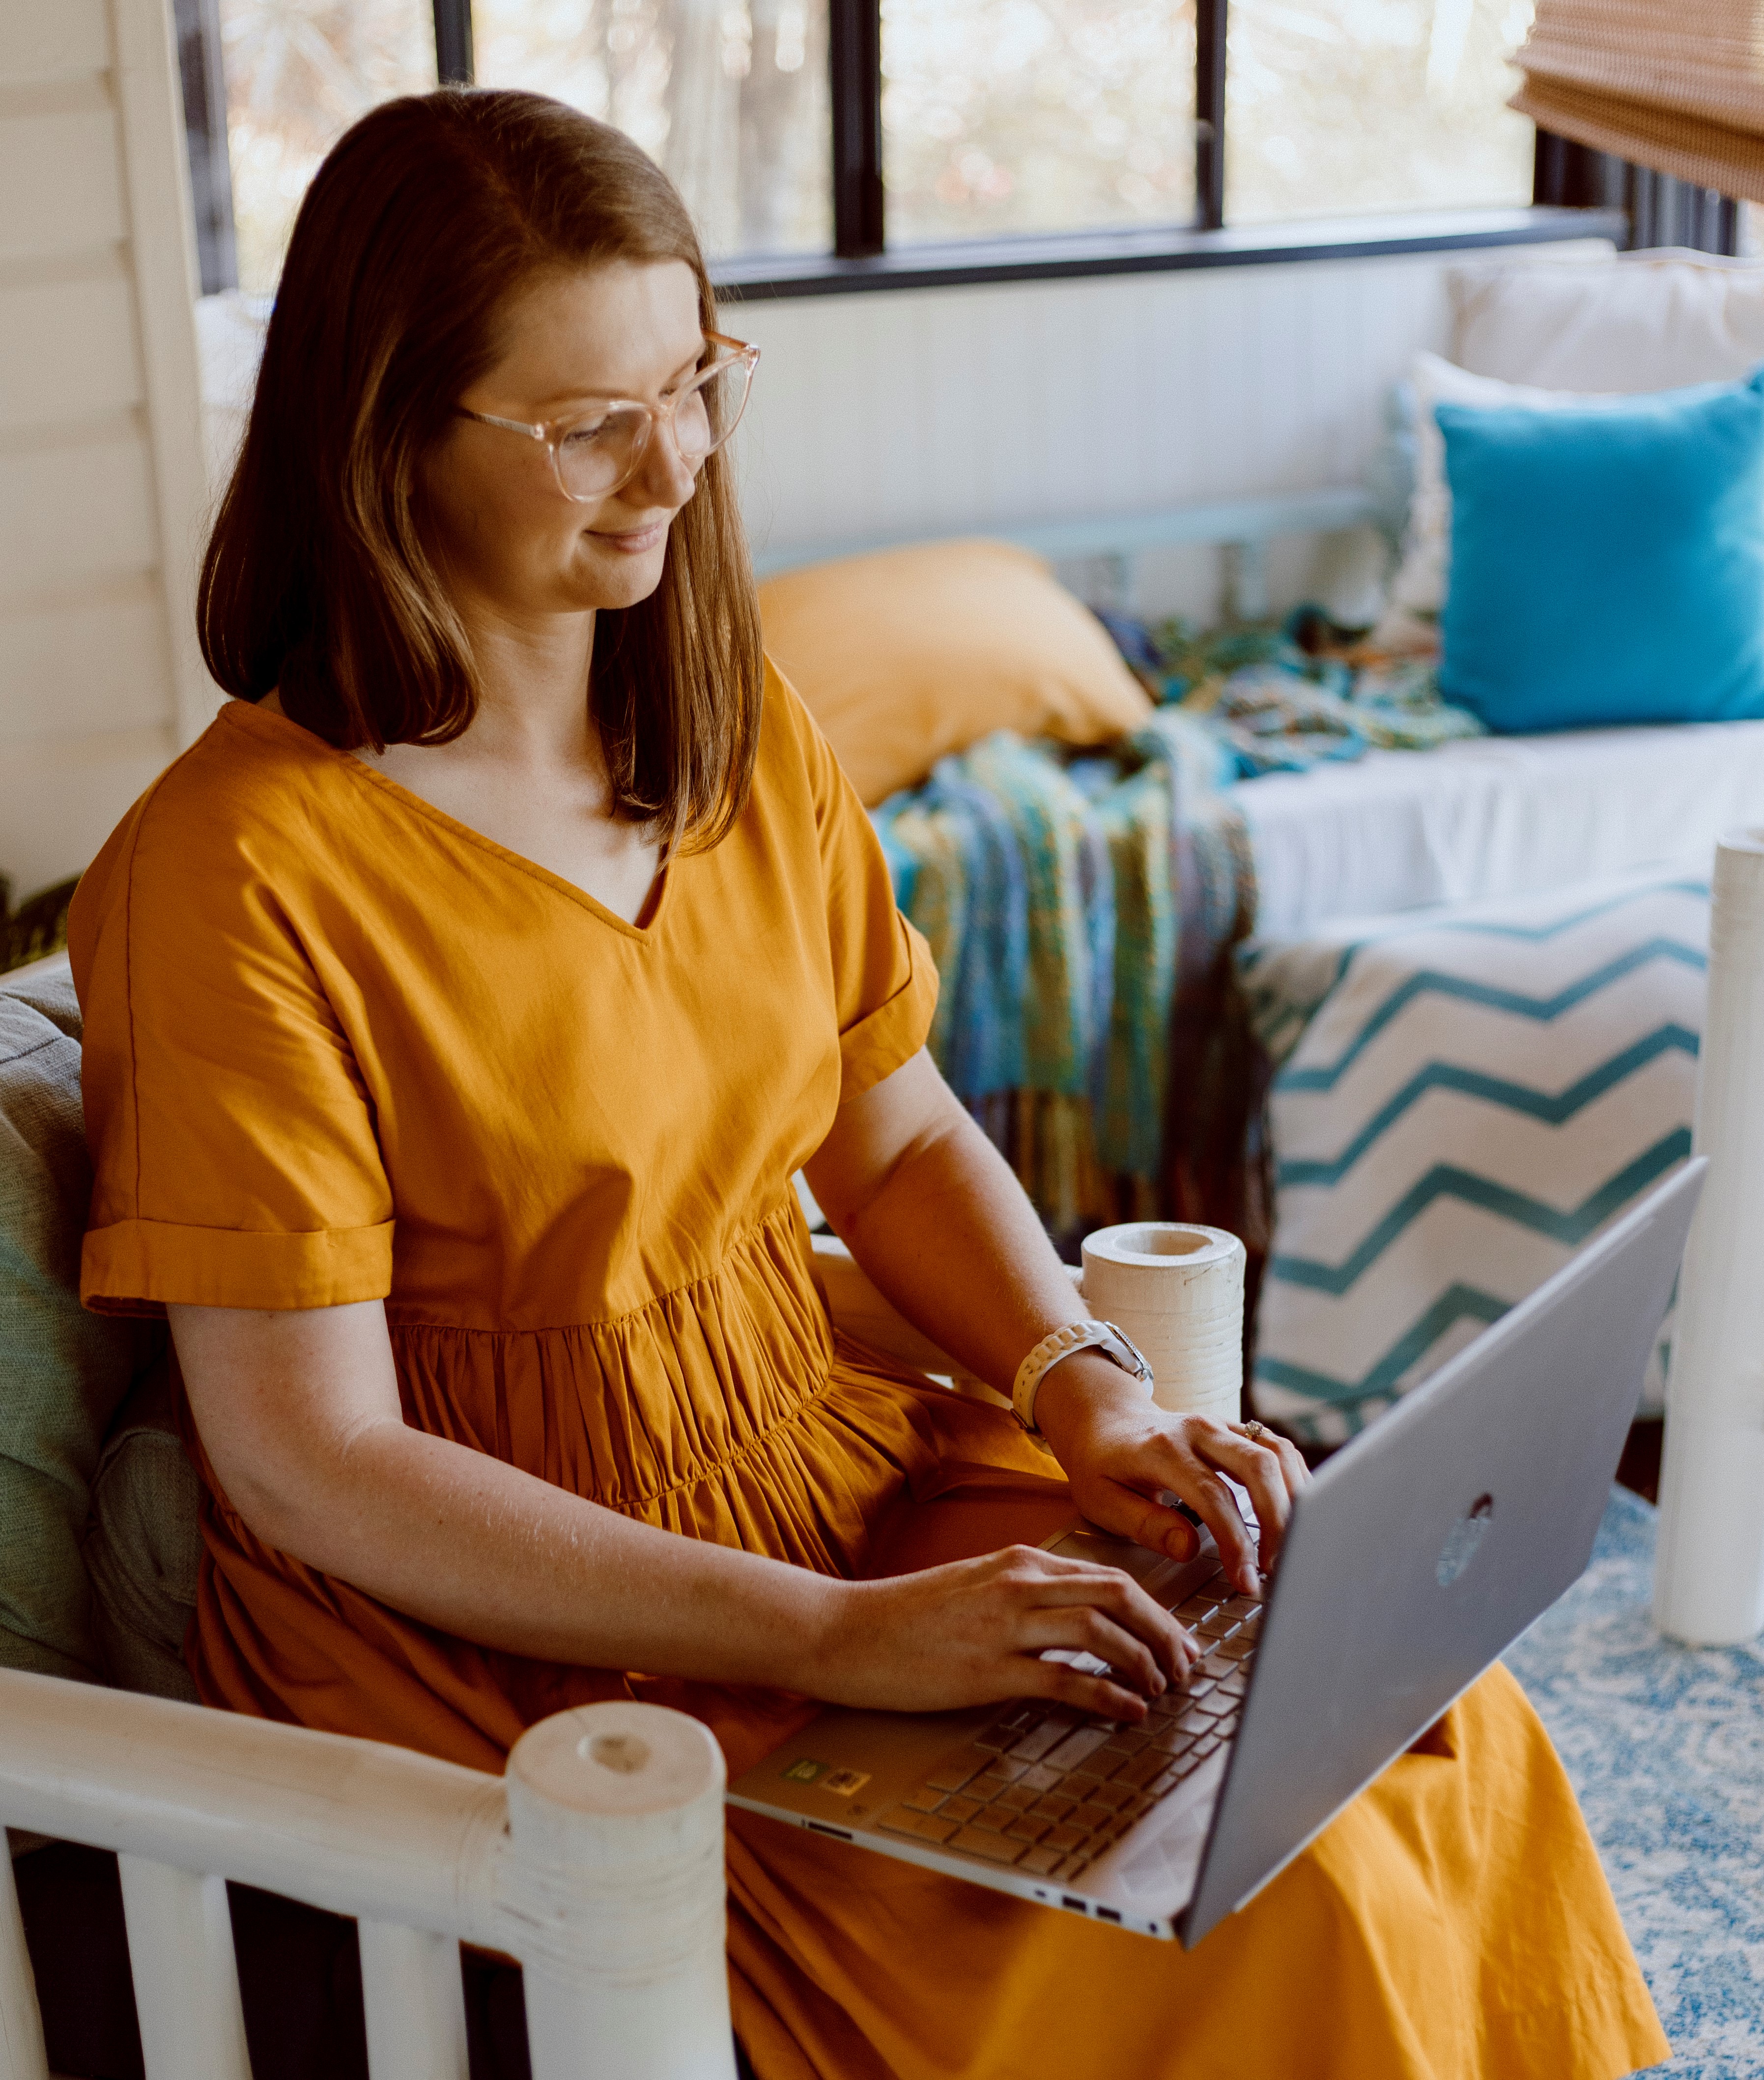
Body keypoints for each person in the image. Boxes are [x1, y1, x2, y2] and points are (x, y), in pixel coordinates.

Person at [70, 88, 1668, 2080]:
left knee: (1425, 1735)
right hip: (517, 1620)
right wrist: (834, 1641)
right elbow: (315, 1458)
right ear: (381, 432)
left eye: (696, 384)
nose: (675, 467)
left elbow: (894, 1133)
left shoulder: (736, 736)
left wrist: (1081, 1379)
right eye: (588, 426)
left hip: (832, 1462)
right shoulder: (231, 876)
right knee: (1241, 1924)